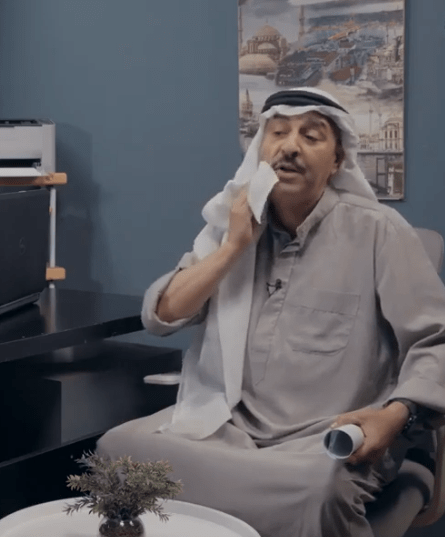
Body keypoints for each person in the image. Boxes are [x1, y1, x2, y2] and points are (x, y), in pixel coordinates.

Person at [97, 88, 445, 537]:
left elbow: (436, 340)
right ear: (261, 150)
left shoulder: (381, 232)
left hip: (324, 439)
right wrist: (233, 248)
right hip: (231, 427)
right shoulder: (237, 226)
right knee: (117, 452)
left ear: (337, 161)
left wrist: (394, 415)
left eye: (311, 136)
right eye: (278, 133)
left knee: (318, 492)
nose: (290, 146)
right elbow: (160, 316)